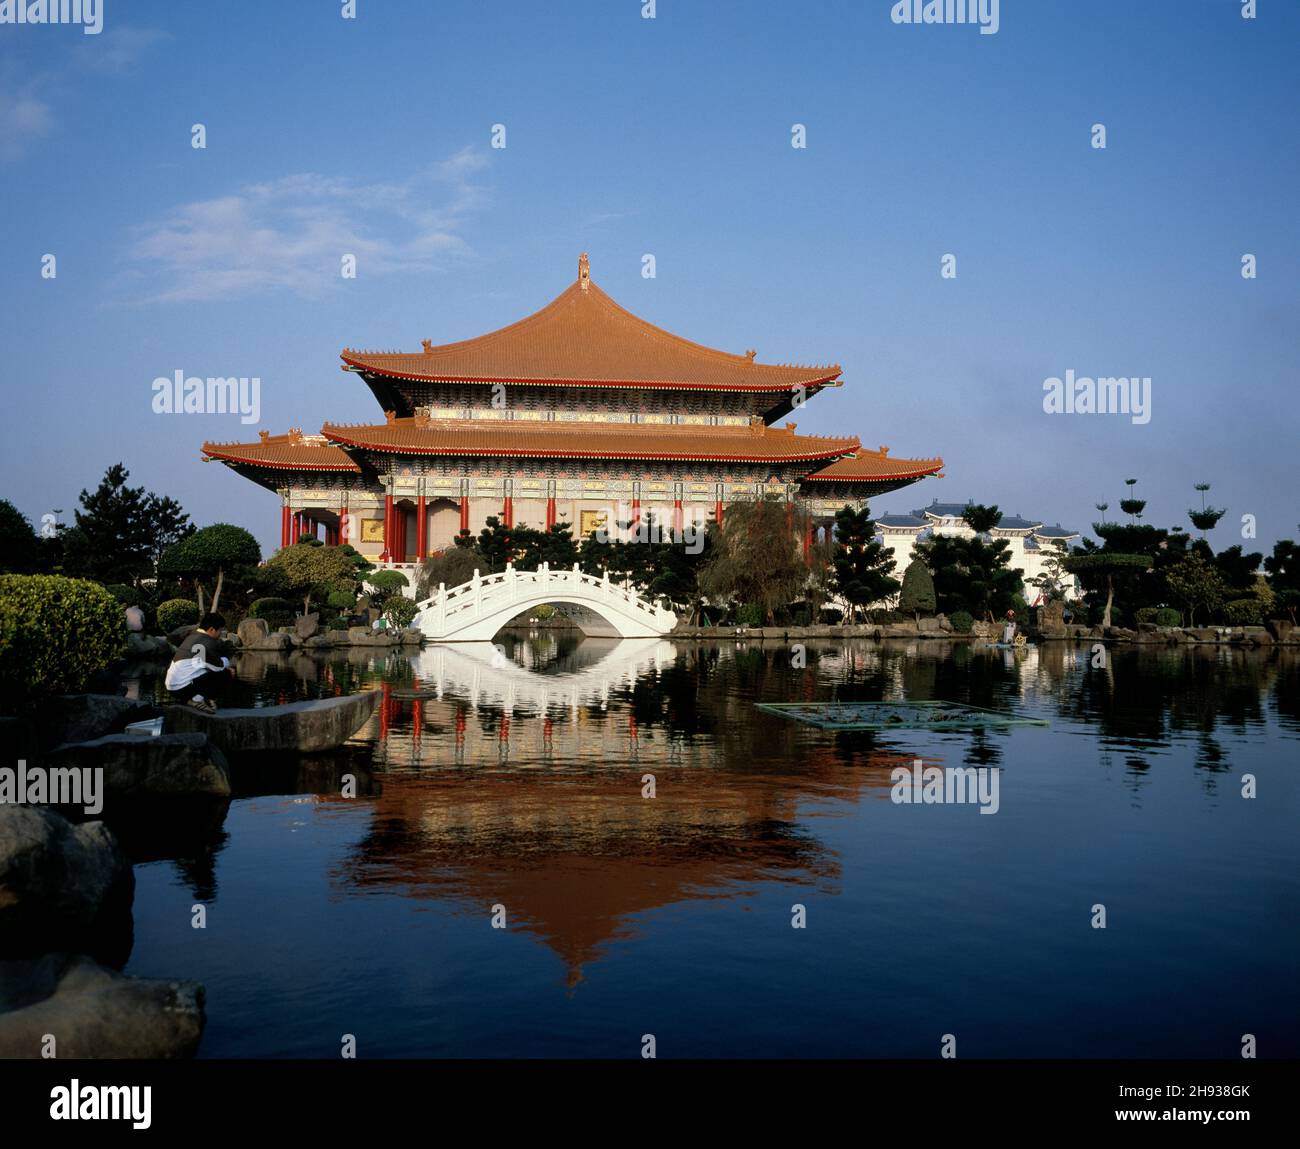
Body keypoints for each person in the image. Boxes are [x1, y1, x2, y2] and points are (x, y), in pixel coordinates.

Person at [164, 612, 234, 712]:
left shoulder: (192, 636)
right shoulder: (206, 642)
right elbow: (219, 666)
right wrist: (227, 663)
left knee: (208, 669)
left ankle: (195, 699)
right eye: (220, 630)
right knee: (227, 674)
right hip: (182, 688)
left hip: (172, 688)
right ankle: (197, 700)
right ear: (212, 629)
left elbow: (203, 663)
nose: (220, 634)